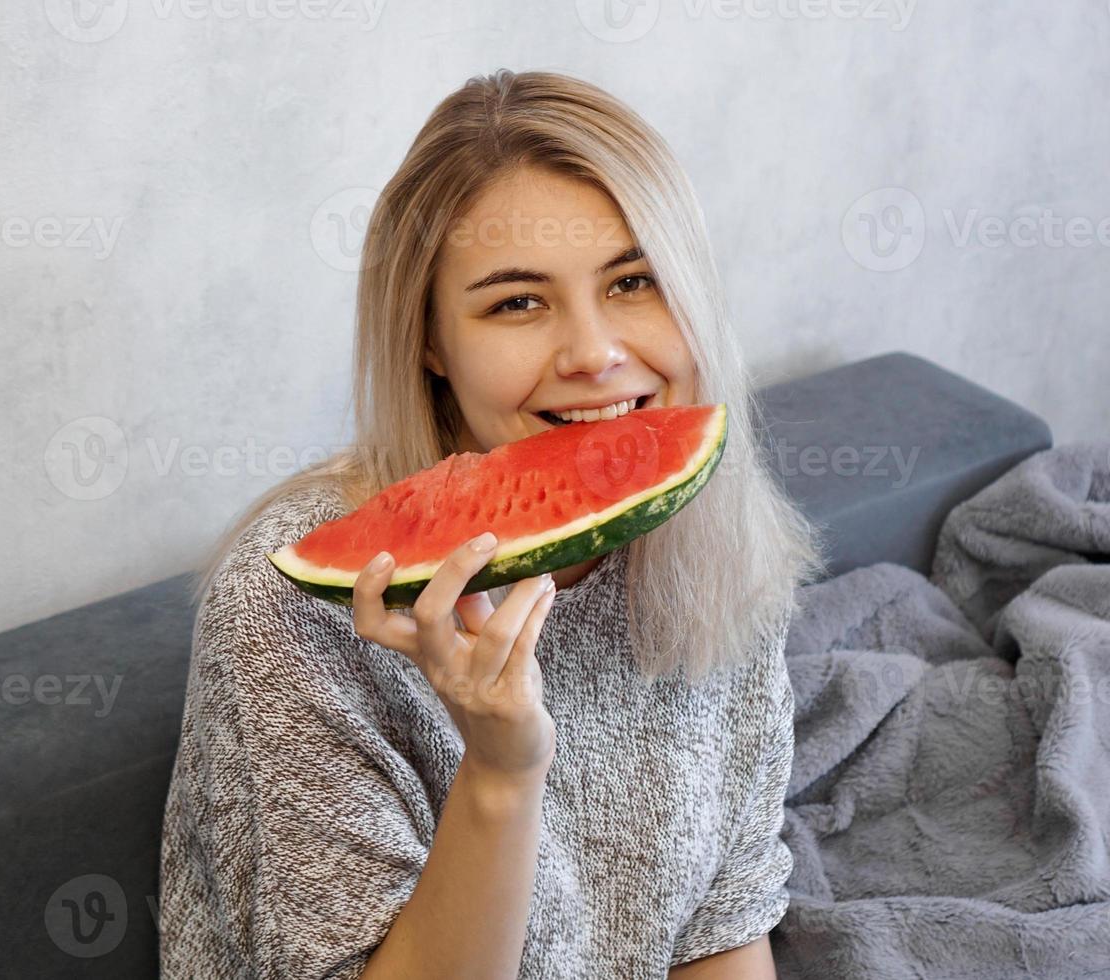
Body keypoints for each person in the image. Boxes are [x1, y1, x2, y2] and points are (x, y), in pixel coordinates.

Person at [159, 68, 826, 979]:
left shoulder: (714, 539)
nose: (595, 354)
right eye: (517, 302)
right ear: (429, 337)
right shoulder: (284, 611)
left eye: (635, 281)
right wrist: (503, 772)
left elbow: (722, 925)